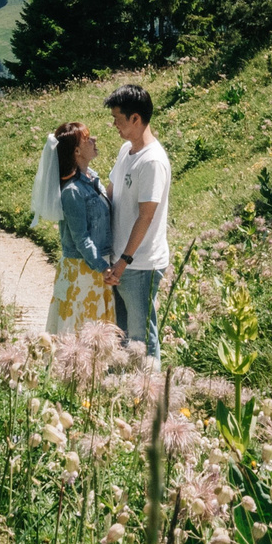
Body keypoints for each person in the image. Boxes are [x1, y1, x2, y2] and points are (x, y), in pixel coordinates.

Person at [102, 83, 170, 358]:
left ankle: (151, 395)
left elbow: (146, 215)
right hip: (120, 261)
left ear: (135, 118)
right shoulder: (125, 151)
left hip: (140, 264)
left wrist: (124, 261)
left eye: (118, 119)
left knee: (142, 337)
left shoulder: (152, 161)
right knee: (123, 334)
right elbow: (110, 191)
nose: (115, 125)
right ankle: (125, 392)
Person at [31, 120, 115, 336]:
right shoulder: (72, 191)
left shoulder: (92, 178)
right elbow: (81, 238)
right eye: (88, 139)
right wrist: (102, 267)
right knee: (81, 331)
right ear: (77, 151)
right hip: (82, 272)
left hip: (95, 266)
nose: (94, 140)